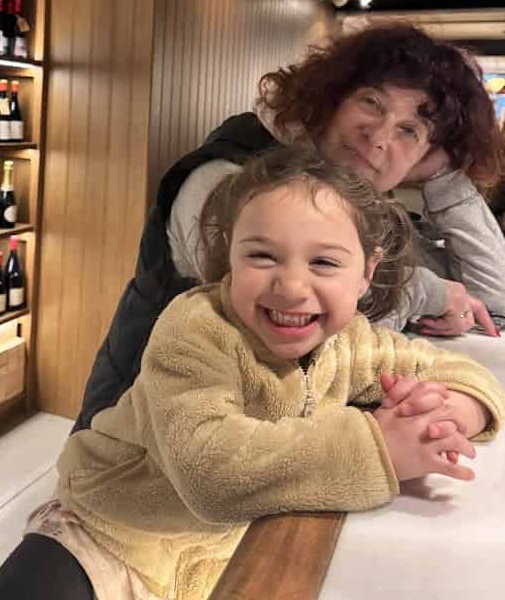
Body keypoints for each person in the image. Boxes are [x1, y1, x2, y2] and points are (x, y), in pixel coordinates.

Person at [0, 148, 504, 600]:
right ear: (230, 253)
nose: (292, 287)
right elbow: (210, 468)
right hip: (112, 532)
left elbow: (448, 367)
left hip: (227, 543)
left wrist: (452, 407)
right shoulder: (196, 329)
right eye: (262, 256)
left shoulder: (351, 341)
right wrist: (378, 448)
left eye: (324, 263)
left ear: (366, 272)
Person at [74, 23, 505, 433]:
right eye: (371, 103)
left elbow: (492, 295)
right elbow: (301, 326)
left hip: (262, 444)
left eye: (409, 130)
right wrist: (429, 292)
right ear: (332, 96)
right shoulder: (230, 178)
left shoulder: (355, 193)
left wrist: (444, 178)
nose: (378, 136)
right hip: (138, 440)